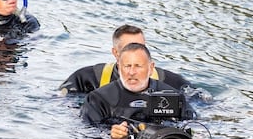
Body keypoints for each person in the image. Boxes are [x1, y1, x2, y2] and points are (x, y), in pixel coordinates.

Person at [80, 43, 195, 139]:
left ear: (151, 68)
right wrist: (111, 135)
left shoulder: (174, 97)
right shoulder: (98, 99)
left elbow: (193, 123)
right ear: (119, 67)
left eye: (138, 66)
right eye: (127, 66)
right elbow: (88, 133)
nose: (131, 72)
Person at [59, 24, 189, 94]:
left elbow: (201, 102)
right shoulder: (87, 78)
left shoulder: (170, 81)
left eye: (140, 47)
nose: (136, 53)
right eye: (129, 48)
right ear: (115, 53)